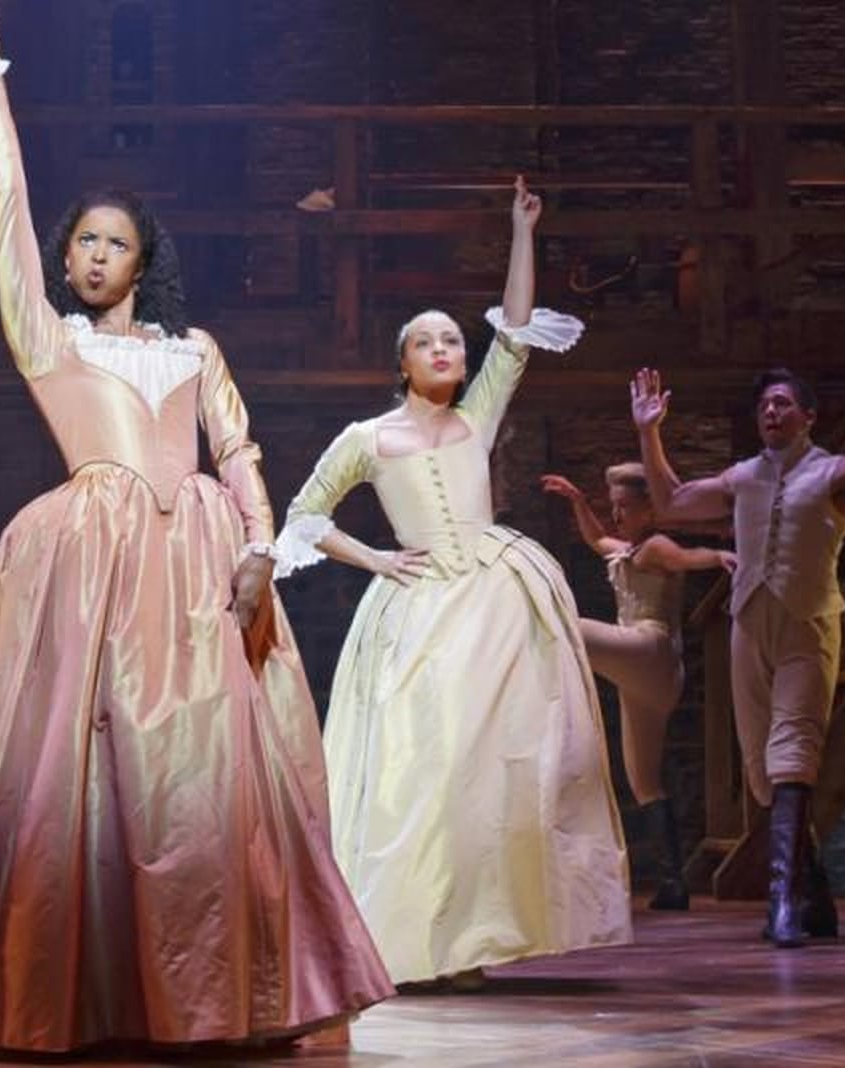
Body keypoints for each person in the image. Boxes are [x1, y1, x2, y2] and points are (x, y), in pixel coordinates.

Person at [0, 6, 391, 1053]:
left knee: (207, 788)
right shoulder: (49, 342)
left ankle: (232, 991)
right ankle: (78, 992)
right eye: (82, 239)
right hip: (93, 561)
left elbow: (240, 448)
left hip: (204, 562)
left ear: (142, 261)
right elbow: (5, 208)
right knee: (82, 781)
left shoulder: (194, 346)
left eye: (114, 243)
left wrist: (260, 546)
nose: (93, 254)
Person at [275, 176, 631, 991]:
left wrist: (521, 232)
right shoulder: (368, 437)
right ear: (401, 362)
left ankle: (471, 935)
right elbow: (304, 514)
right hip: (418, 606)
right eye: (427, 342)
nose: (445, 350)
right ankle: (411, 934)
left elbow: (512, 334)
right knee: (420, 767)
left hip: (494, 602)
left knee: (495, 768)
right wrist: (376, 560)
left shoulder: (477, 417)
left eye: (451, 342)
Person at [631, 362, 845, 947]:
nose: (772, 413)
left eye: (783, 404)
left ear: (808, 415)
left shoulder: (837, 472)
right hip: (749, 625)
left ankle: (782, 902)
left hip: (808, 623)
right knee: (760, 769)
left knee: (793, 752)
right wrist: (649, 432)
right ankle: (818, 897)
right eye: (765, 407)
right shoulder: (745, 476)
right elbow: (673, 502)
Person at [541, 464, 736, 909]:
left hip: (651, 650)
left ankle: (525, 682)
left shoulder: (656, 546)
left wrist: (719, 556)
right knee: (644, 781)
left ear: (650, 508)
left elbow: (687, 557)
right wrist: (578, 501)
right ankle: (674, 885)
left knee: (565, 628)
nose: (617, 515)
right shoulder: (627, 550)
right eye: (614, 507)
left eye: (625, 507)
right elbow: (595, 541)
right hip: (642, 674)